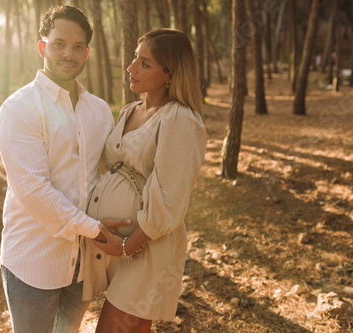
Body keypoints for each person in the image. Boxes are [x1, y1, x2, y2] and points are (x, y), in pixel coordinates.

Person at [0, 5, 130, 333]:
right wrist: (96, 230)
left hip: (83, 264)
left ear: (87, 53)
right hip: (33, 262)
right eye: (59, 44)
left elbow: (108, 176)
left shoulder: (99, 111)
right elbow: (33, 191)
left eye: (78, 46)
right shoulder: (20, 109)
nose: (68, 54)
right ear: (42, 47)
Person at [80, 29, 207, 332]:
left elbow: (170, 198)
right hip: (117, 247)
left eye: (145, 63)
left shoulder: (180, 119)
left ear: (169, 74)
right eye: (135, 58)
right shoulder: (130, 111)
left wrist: (125, 245)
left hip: (146, 250)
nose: (131, 68)